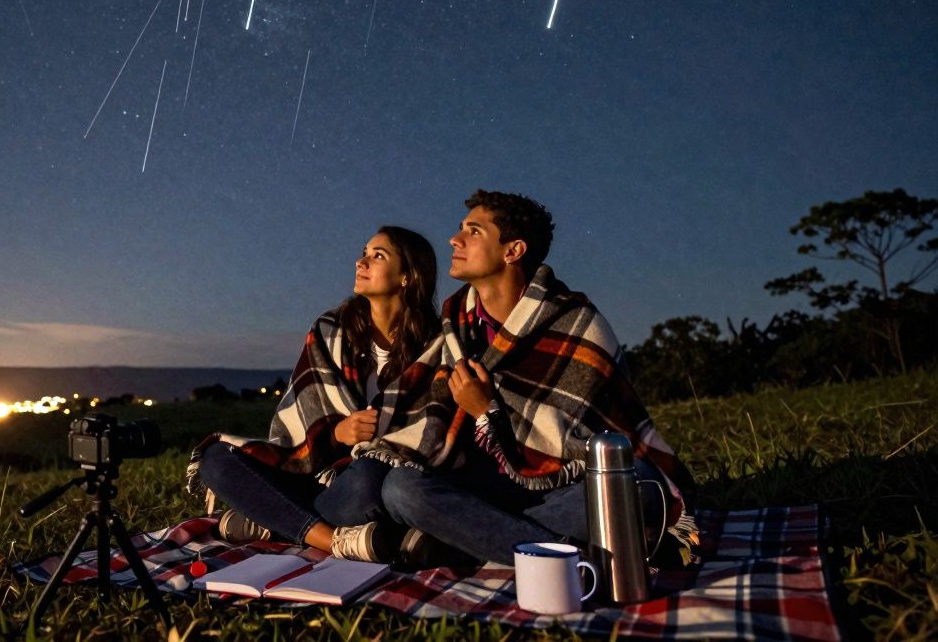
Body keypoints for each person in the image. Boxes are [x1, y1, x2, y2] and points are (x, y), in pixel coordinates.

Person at [380, 191, 699, 567]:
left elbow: (595, 438)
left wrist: (486, 410)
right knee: (401, 489)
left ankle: (472, 542)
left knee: (638, 488)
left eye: (474, 231)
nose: (455, 239)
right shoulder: (454, 325)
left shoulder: (575, 322)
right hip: (481, 486)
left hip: (561, 486)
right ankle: (573, 560)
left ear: (512, 251)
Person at [186, 226, 456, 561]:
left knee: (373, 477)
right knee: (216, 459)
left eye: (378, 256)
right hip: (314, 476)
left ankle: (273, 522)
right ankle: (330, 540)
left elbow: (430, 434)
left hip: (363, 484)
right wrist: (338, 433)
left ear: (407, 277)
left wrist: (379, 444)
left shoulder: (436, 346)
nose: (361, 262)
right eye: (364, 252)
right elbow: (300, 424)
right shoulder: (330, 331)